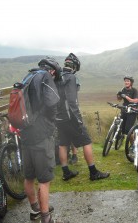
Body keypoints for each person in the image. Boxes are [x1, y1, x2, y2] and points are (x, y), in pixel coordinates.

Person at [20, 57, 69, 223]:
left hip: (25, 134)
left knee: (29, 177)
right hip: (41, 135)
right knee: (44, 180)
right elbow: (52, 102)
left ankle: (34, 209)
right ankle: (45, 216)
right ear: (53, 71)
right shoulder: (46, 77)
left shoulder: (28, 76)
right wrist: (51, 121)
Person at [55, 53, 110, 181]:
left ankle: (66, 172)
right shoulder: (71, 78)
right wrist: (78, 118)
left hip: (58, 118)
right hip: (71, 117)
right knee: (86, 141)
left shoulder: (56, 78)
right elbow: (72, 100)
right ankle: (93, 172)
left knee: (63, 143)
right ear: (74, 67)